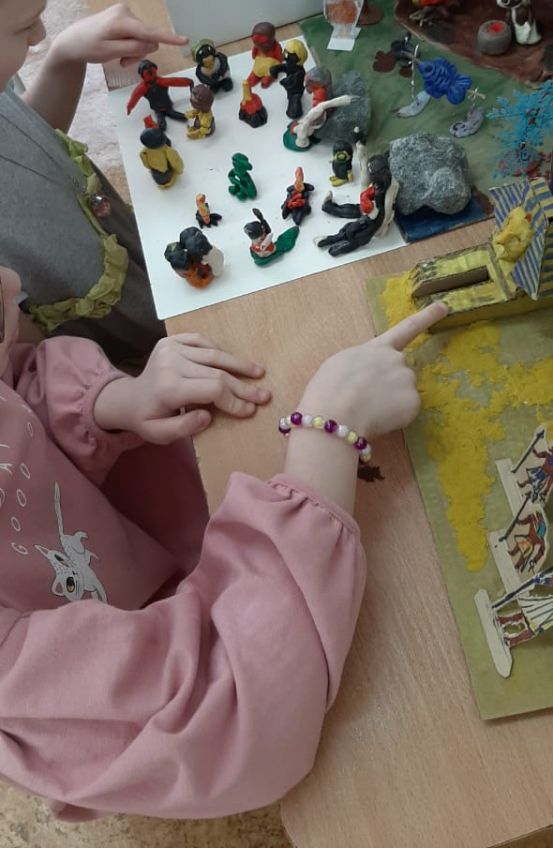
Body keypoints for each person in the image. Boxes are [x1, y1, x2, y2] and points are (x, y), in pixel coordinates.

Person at [0, 261, 446, 820]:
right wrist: (329, 431)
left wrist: (105, 404)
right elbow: (234, 724)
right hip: (201, 681)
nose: (14, 281)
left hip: (186, 537)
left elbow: (14, 395)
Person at [0, 0, 189, 363]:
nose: (40, 34)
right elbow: (32, 377)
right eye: (25, 25)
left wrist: (65, 57)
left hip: (127, 251)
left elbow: (27, 140)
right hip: (105, 358)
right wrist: (127, 392)